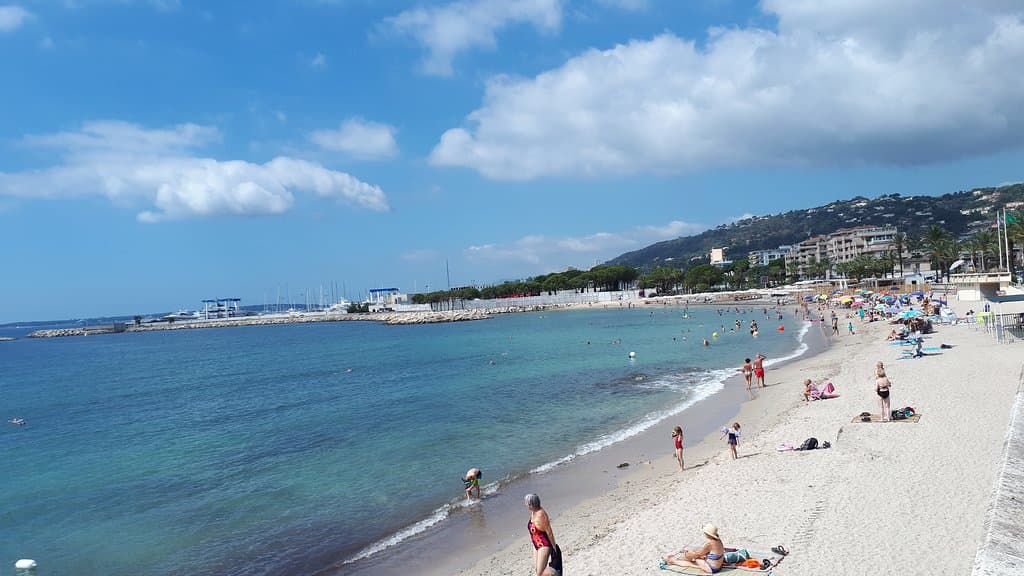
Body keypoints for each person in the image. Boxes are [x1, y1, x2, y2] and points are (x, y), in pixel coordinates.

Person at [525, 493, 562, 576]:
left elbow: (549, 531)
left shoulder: (541, 514)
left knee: (539, 573)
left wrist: (554, 547)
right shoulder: (533, 512)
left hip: (544, 545)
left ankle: (557, 574)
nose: (526, 505)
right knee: (538, 569)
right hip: (536, 545)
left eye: (527, 503)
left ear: (532, 504)